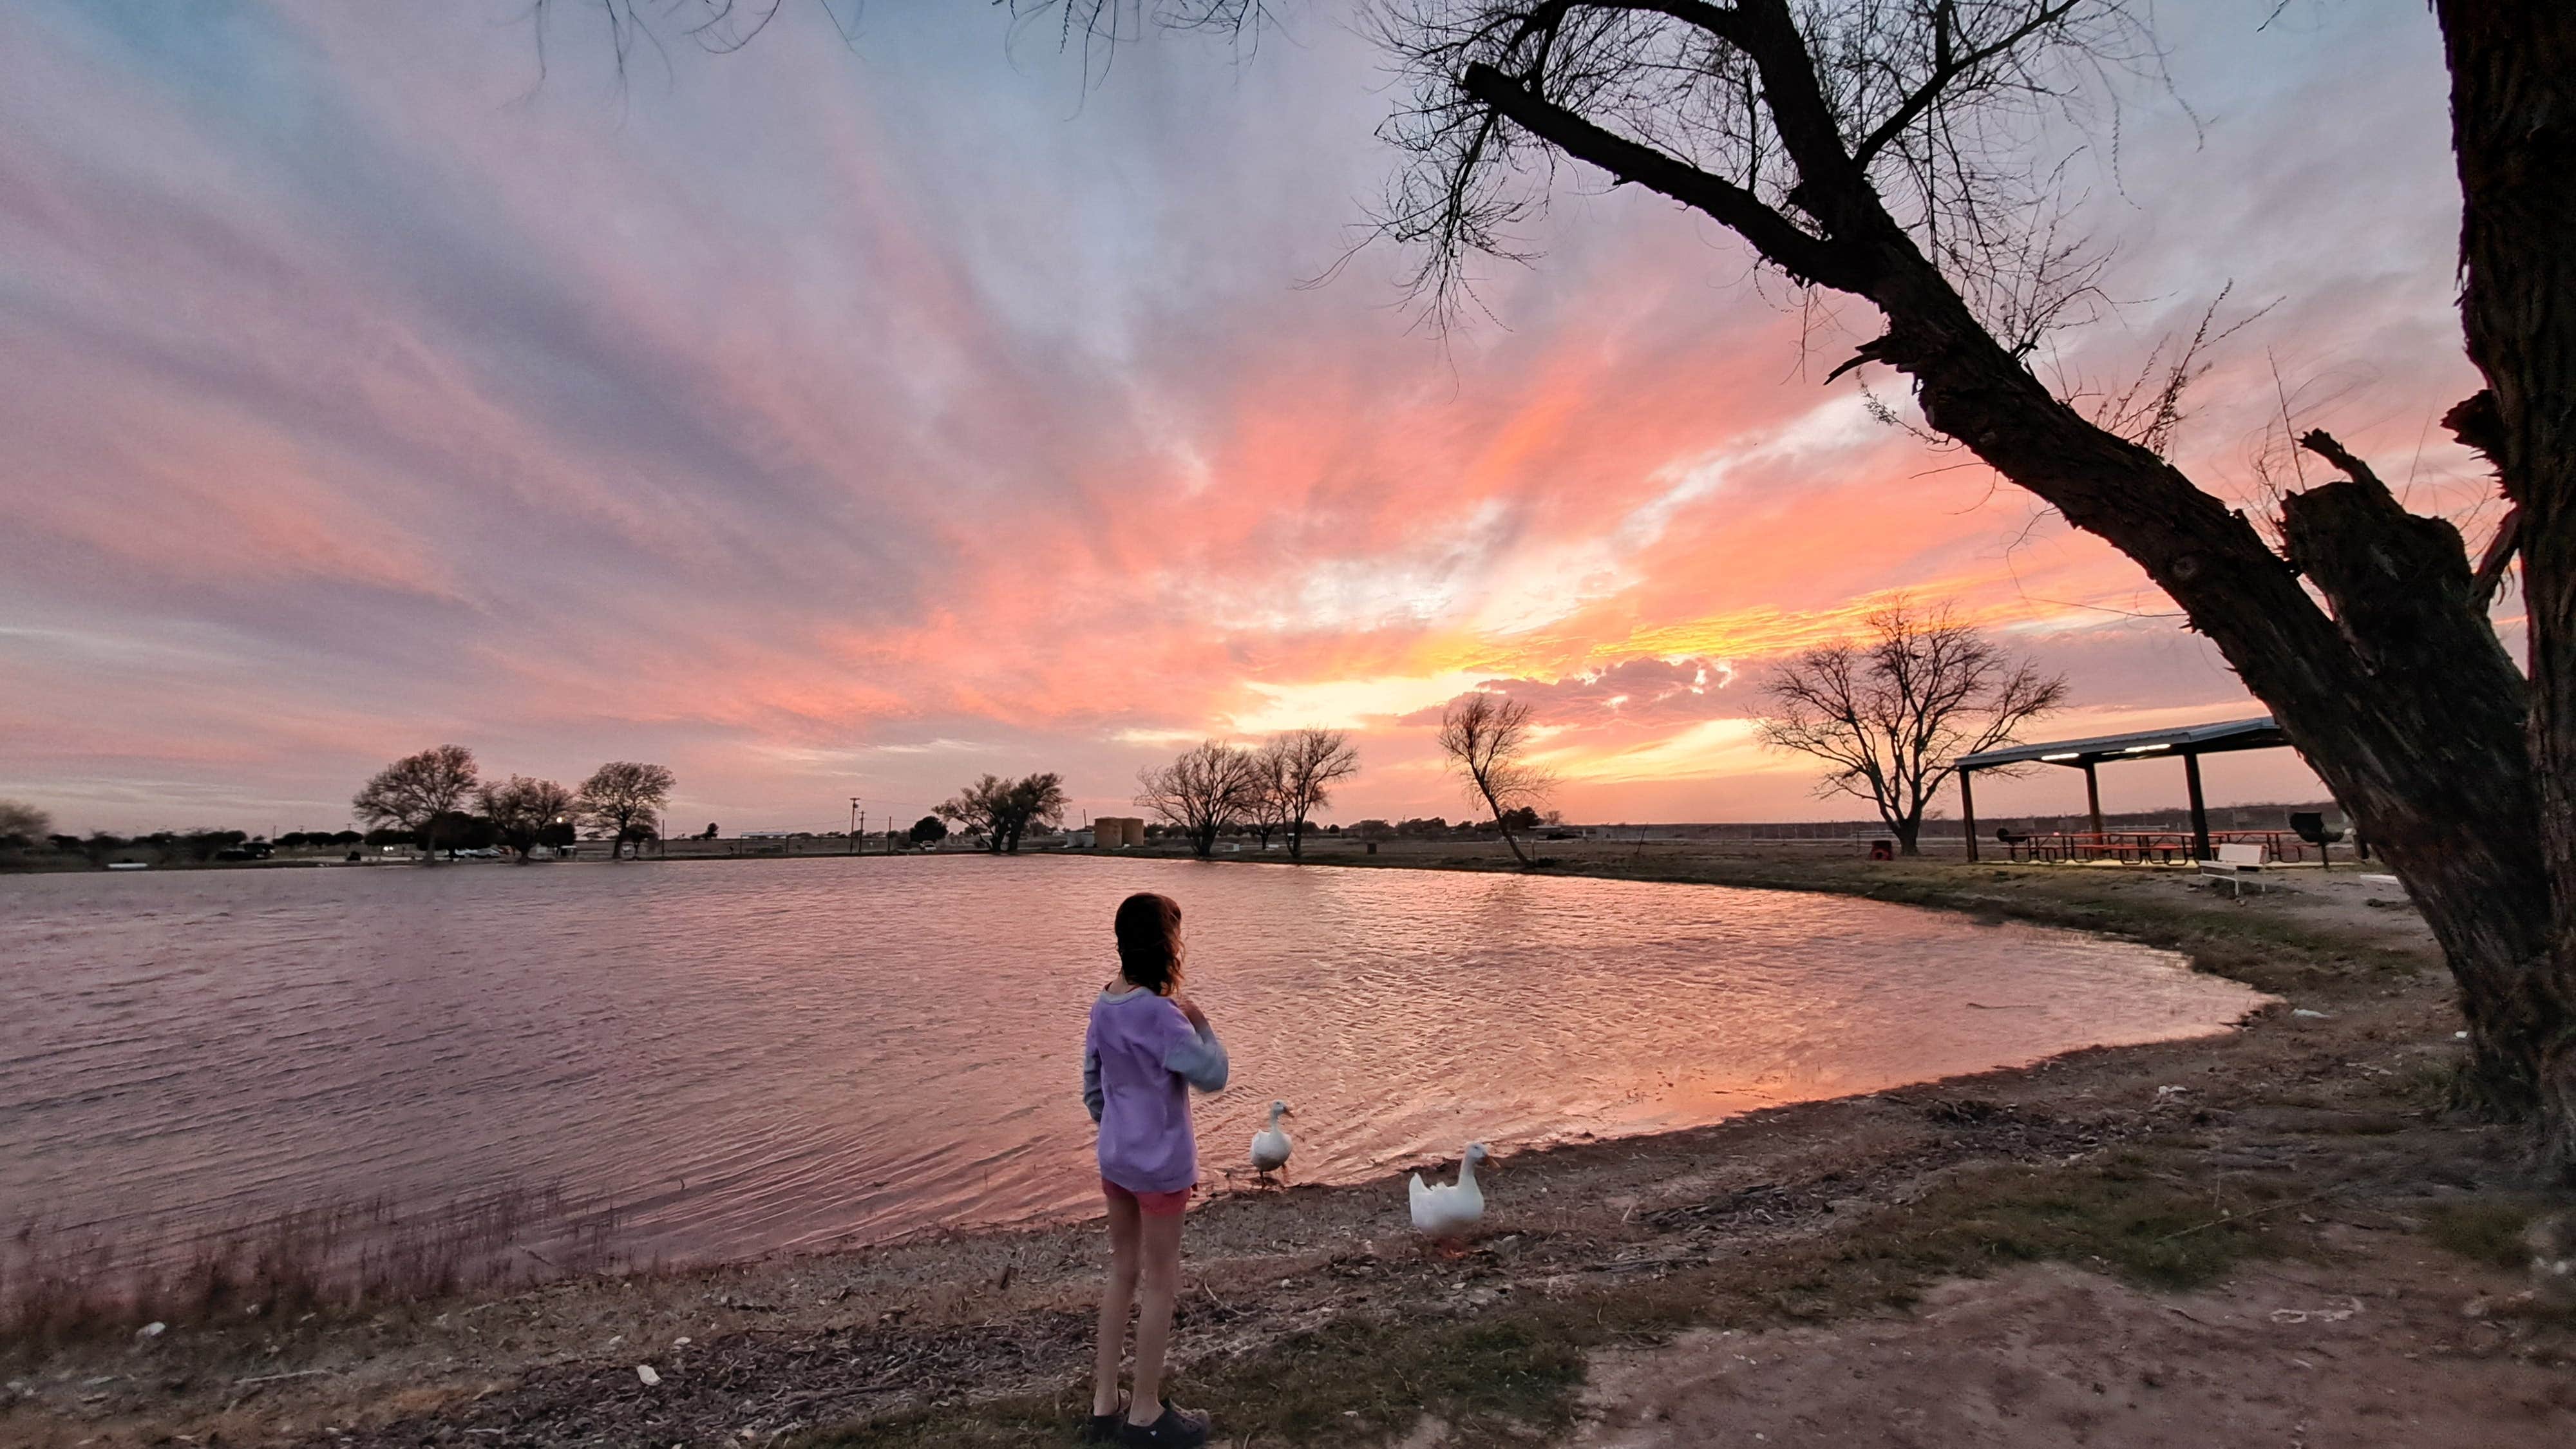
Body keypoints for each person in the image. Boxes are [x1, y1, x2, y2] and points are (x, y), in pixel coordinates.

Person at [1082, 891, 1229, 1447]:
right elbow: (1212, 1075)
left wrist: (1116, 1127)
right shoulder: (1163, 1014)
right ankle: (1145, 1414)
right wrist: (1201, 1021)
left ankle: (1104, 1405)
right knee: (1161, 1280)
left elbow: (1092, 1085)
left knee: (1122, 1272)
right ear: (1165, 944)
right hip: (1161, 1165)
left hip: (1116, 1157)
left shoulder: (1105, 1004)